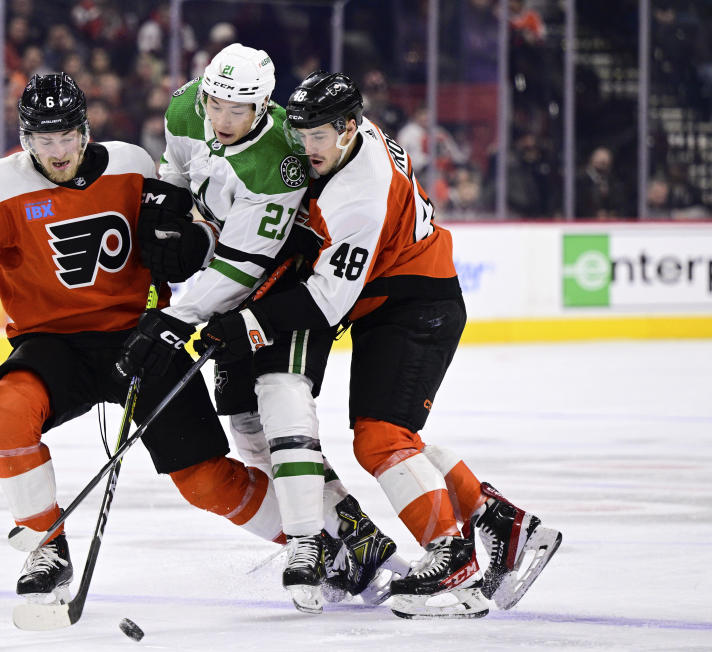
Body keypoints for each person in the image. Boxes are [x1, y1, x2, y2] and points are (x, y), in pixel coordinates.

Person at [0, 72, 305, 612]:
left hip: (139, 338)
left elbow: (198, 226)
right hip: (52, 346)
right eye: (44, 141)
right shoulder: (0, 186)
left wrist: (192, 241)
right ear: (26, 140)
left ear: (84, 131)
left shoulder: (133, 165)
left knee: (205, 482)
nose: (58, 151)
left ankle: (311, 544)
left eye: (66, 137)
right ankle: (46, 547)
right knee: (5, 412)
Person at [194, 71, 562, 617]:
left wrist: (245, 322)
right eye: (302, 134)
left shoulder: (357, 196)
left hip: (416, 304)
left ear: (347, 128)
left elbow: (325, 302)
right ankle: (501, 523)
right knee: (396, 438)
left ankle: (451, 562)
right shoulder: (348, 139)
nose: (307, 146)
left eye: (319, 136)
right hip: (396, 299)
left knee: (381, 439)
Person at [115, 43, 403, 613]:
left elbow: (241, 266)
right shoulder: (183, 109)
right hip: (229, 288)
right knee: (247, 431)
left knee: (282, 401)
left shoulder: (279, 160)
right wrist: (174, 226)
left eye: (237, 110)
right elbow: (176, 173)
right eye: (215, 104)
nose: (221, 120)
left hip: (285, 285)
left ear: (263, 106)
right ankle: (352, 529)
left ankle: (307, 541)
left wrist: (177, 316)